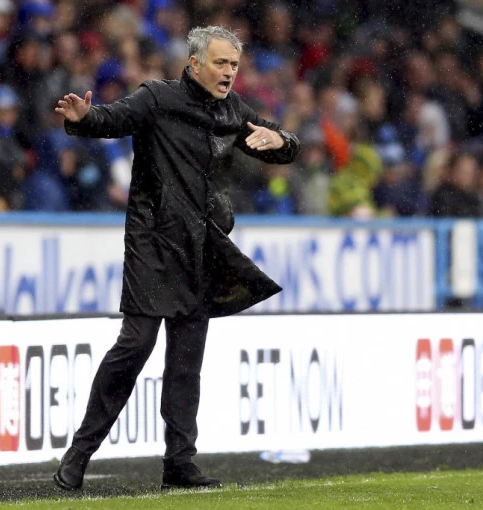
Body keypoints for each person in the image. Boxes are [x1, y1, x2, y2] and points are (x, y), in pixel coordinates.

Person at [52, 26, 299, 491]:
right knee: (135, 345)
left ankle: (179, 463)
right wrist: (83, 118)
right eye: (221, 63)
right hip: (153, 240)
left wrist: (280, 140)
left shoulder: (233, 110)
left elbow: (285, 144)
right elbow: (111, 119)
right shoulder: (158, 97)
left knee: (187, 360)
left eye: (234, 65)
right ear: (194, 63)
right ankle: (80, 453)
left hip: (202, 246)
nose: (229, 73)